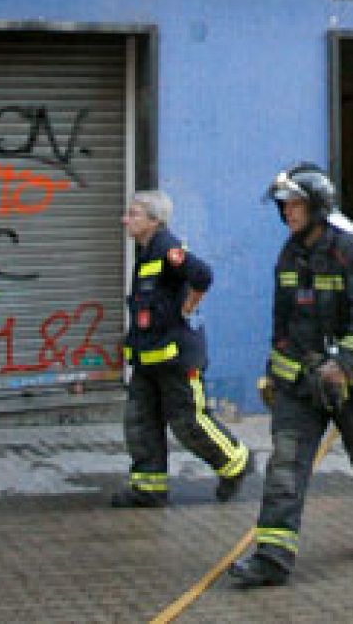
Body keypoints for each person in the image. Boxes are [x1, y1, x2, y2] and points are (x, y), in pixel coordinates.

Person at [229, 163, 353, 588]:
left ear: (316, 205)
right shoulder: (289, 255)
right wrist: (278, 373)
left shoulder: (351, 252)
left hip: (352, 385)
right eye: (285, 205)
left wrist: (343, 364)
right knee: (285, 465)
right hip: (301, 385)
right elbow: (283, 323)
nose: (288, 212)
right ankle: (272, 557)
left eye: (296, 204)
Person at [113, 190, 253, 507]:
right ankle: (148, 488)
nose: (125, 220)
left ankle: (236, 463)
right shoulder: (145, 251)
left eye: (132, 214)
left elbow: (202, 275)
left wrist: (188, 307)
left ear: (154, 220)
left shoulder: (167, 248)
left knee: (189, 422)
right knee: (140, 423)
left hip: (176, 359)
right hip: (147, 360)